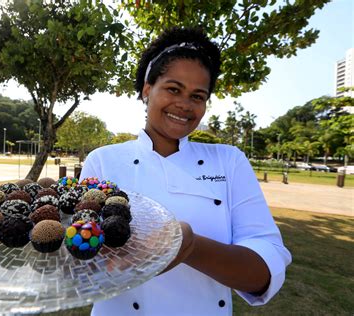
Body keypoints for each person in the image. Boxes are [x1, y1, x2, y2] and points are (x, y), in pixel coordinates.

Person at [79, 27, 292, 315]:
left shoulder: (229, 161)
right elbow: (81, 258)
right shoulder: (104, 161)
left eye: (198, 96)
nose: (184, 104)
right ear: (147, 89)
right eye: (173, 89)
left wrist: (190, 246)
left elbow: (263, 271)